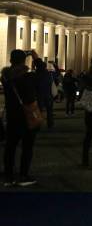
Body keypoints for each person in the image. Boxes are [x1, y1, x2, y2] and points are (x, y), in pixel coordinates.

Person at [1, 49, 39, 187]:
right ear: (24, 61)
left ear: (11, 60)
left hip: (12, 116)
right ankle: (23, 176)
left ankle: (8, 176)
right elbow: (43, 73)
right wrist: (36, 58)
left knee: (10, 147)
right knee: (27, 147)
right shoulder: (28, 77)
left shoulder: (5, 77)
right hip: (27, 116)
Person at [34, 59, 54, 129]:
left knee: (39, 110)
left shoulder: (35, 75)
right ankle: (50, 123)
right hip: (48, 94)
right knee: (49, 111)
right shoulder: (49, 74)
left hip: (39, 95)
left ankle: (38, 124)